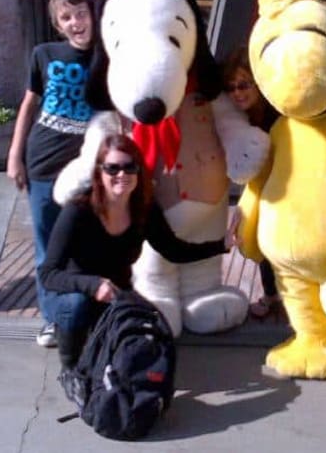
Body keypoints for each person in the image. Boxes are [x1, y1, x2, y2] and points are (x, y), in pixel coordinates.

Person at [40, 134, 234, 398]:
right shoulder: (78, 211)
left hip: (116, 294)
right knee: (75, 306)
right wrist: (92, 284)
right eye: (113, 168)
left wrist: (221, 244)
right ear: (100, 172)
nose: (122, 174)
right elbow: (48, 274)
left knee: (142, 331)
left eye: (130, 167)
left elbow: (174, 250)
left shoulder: (144, 208)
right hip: (80, 293)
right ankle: (70, 371)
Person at [7, 0, 97, 347]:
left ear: (93, 14)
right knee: (47, 248)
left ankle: (84, 316)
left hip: (86, 170)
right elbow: (29, 106)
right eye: (66, 17)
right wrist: (15, 154)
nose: (76, 22)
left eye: (81, 13)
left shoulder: (108, 57)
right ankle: (52, 320)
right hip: (42, 162)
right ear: (58, 25)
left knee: (85, 243)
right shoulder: (44, 54)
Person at [222, 46, 282, 319]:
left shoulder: (278, 114)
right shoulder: (239, 116)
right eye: (232, 87)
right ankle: (271, 295)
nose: (237, 92)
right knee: (260, 237)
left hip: (286, 184)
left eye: (244, 85)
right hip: (262, 186)